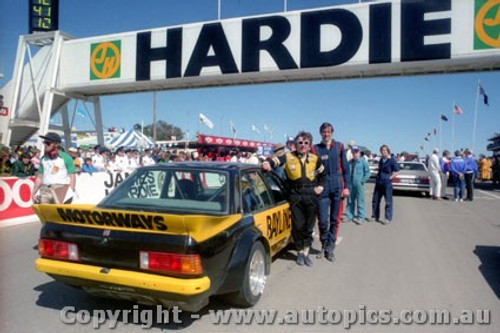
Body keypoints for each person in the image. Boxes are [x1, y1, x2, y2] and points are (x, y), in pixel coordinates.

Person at [263, 131, 326, 267]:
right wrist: (267, 163)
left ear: (309, 145)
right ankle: (299, 252)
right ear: (295, 144)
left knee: (309, 226)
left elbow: (323, 173)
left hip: (311, 194)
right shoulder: (288, 157)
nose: (302, 145)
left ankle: (306, 252)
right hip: (295, 195)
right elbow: (275, 161)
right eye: (300, 143)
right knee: (298, 226)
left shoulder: (315, 159)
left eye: (305, 143)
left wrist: (320, 186)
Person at [313, 122, 350, 262]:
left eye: (328, 132)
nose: (326, 134)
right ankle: (323, 244)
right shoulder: (315, 149)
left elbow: (346, 168)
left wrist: (347, 187)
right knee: (322, 220)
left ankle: (330, 247)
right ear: (320, 133)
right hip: (322, 187)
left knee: (335, 219)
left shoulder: (339, 147)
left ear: (332, 133)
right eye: (324, 132)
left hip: (337, 186)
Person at [31, 132, 77, 204]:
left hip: (61, 190)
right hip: (45, 190)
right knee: (45, 213)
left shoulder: (66, 158)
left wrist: (71, 192)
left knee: (59, 214)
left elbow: (72, 176)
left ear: (57, 144)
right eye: (44, 142)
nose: (45, 145)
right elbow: (39, 177)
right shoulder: (43, 159)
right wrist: (34, 192)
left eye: (48, 143)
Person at [371, 144, 400, 224]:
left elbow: (397, 171)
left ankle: (388, 218)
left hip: (387, 184)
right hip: (378, 182)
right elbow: (381, 169)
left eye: (384, 150)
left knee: (388, 201)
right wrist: (376, 170)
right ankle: (375, 216)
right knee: (375, 200)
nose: (383, 152)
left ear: (388, 151)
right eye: (382, 150)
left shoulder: (392, 160)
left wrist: (390, 177)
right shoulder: (381, 160)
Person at [345, 146, 371, 224]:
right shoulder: (349, 162)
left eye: (356, 152)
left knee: (360, 201)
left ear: (359, 153)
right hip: (350, 185)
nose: (355, 154)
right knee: (350, 201)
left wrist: (362, 181)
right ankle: (349, 216)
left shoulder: (363, 162)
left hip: (359, 185)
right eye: (353, 152)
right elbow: (346, 173)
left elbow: (368, 173)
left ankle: (361, 218)